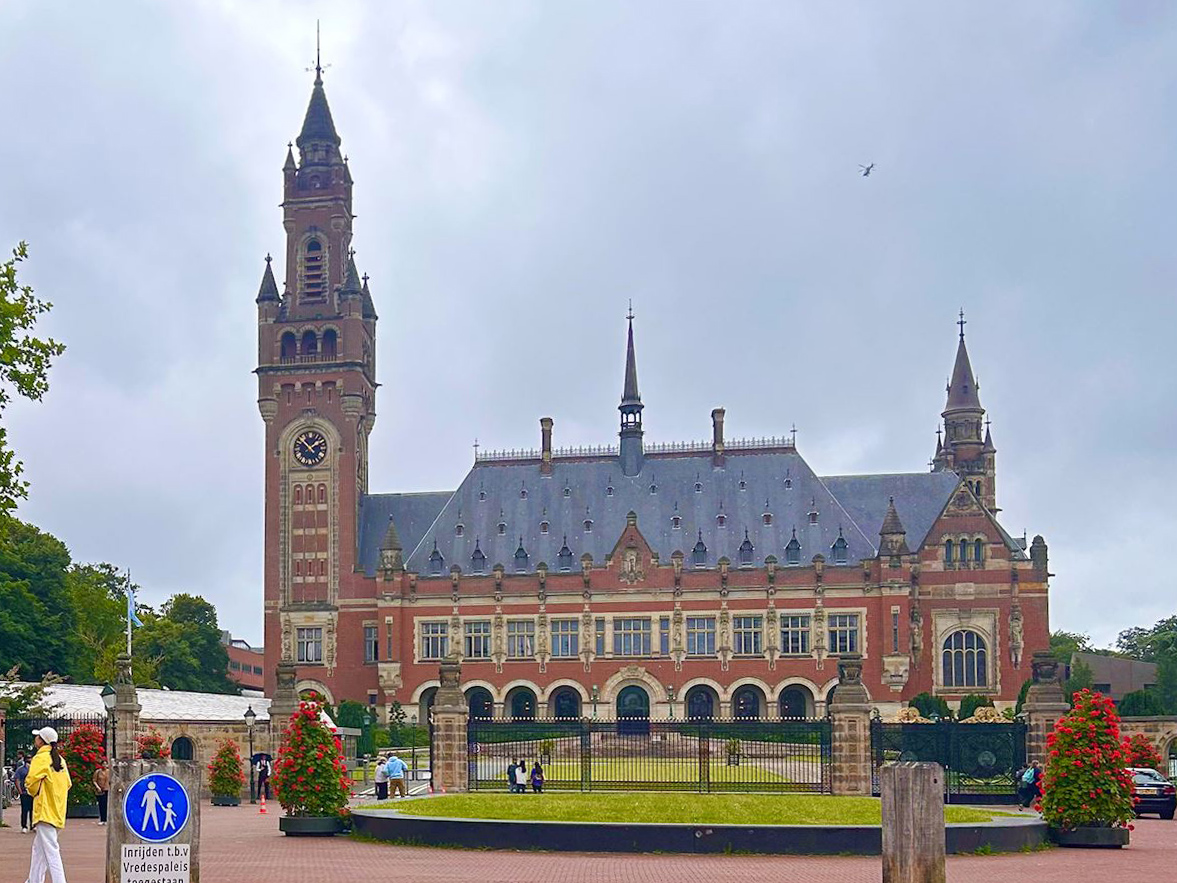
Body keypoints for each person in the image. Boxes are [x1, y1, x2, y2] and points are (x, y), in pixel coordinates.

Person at [24, 726, 72, 883]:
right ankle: (33, 880)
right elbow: (68, 784)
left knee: (51, 850)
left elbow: (31, 782)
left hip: (44, 810)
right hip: (57, 810)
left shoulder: (40, 758)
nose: (35, 739)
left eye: (37, 736)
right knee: (39, 850)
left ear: (41, 741)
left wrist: (36, 792)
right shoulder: (61, 760)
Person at [15, 752, 33, 834]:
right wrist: (20, 791)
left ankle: (33, 825)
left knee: (33, 810)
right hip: (25, 792)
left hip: (33, 792)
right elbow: (17, 779)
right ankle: (24, 826)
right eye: (28, 759)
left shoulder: (35, 769)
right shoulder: (20, 769)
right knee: (25, 810)